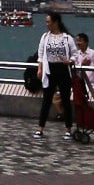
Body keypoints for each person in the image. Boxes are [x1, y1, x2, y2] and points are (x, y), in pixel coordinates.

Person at [32, 12, 77, 140]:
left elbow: (75, 53)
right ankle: (40, 128)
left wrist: (70, 61)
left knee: (66, 100)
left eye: (48, 22)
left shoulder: (67, 38)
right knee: (46, 99)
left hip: (63, 69)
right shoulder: (45, 37)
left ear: (55, 22)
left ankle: (68, 129)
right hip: (49, 69)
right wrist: (40, 69)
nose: (47, 24)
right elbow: (41, 55)